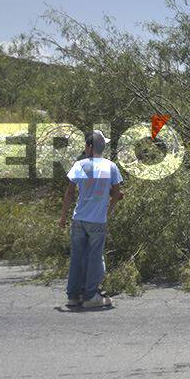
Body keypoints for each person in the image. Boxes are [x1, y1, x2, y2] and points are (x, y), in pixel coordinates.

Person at [58, 130, 124, 308]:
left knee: (77, 256)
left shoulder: (80, 165)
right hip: (97, 220)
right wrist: (109, 210)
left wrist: (63, 217)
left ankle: (73, 295)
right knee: (94, 257)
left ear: (89, 146)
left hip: (79, 219)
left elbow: (70, 192)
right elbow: (116, 193)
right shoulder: (110, 166)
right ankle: (90, 295)